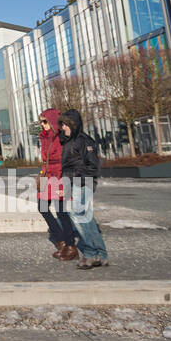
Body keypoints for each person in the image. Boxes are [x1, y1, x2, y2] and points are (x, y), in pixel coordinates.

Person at [58, 109, 109, 270]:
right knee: (87, 217)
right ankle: (101, 254)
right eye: (62, 124)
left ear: (73, 124)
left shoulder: (83, 141)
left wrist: (73, 179)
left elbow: (92, 166)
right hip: (75, 182)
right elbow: (68, 166)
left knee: (77, 214)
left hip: (82, 182)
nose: (63, 127)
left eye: (65, 124)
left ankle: (90, 253)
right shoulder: (69, 141)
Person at [36, 109, 77, 262]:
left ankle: (71, 246)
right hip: (47, 174)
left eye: (45, 121)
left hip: (59, 174)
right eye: (41, 121)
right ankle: (61, 241)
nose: (42, 124)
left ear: (52, 121)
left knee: (61, 211)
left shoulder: (61, 138)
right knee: (42, 207)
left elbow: (67, 161)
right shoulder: (43, 137)